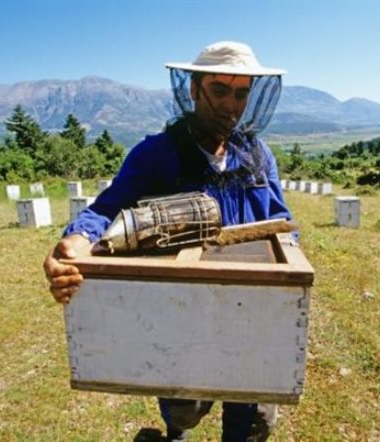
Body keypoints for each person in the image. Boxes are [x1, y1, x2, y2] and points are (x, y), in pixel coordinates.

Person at [43, 41, 293, 441]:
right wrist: (75, 240)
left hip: (252, 309)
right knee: (185, 407)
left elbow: (281, 221)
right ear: (194, 90)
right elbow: (106, 208)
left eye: (241, 93)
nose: (231, 104)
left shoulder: (257, 155)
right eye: (219, 90)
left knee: (255, 419)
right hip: (184, 309)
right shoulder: (155, 155)